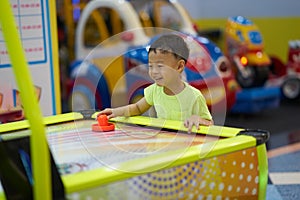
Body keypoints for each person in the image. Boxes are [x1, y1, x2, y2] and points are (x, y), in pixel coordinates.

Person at [99, 33, 213, 132]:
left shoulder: (194, 96)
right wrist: (115, 111)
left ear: (179, 66)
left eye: (159, 66)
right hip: (165, 144)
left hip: (187, 147)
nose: (154, 72)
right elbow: (137, 108)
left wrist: (197, 119)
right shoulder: (154, 90)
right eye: (150, 66)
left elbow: (209, 123)